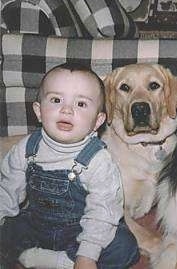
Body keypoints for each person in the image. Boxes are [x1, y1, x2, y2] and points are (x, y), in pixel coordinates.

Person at [0, 63, 140, 269]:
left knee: (125, 248)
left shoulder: (98, 160)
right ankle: (38, 255)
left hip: (81, 231)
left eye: (81, 104)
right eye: (56, 100)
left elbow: (102, 212)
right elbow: (7, 191)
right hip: (36, 224)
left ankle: (61, 261)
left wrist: (88, 254)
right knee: (7, 233)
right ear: (39, 111)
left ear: (97, 121)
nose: (66, 109)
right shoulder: (26, 149)